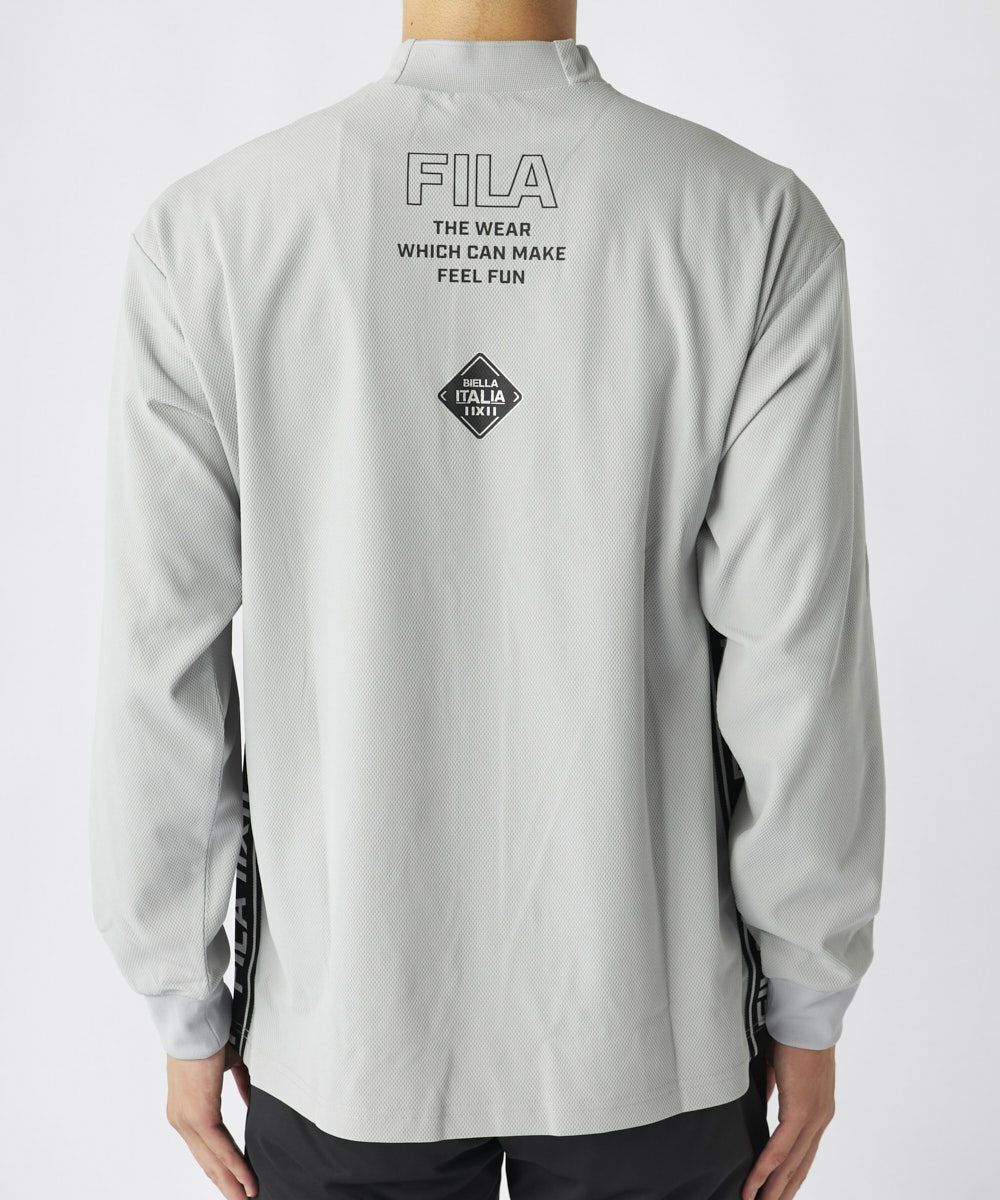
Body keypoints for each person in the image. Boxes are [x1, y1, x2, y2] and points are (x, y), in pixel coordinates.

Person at [89, 1, 886, 1197]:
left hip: (349, 1035)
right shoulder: (751, 221)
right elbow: (798, 661)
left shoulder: (210, 231)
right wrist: (809, 1000)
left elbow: (157, 662)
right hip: (651, 1034)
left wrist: (183, 1002)